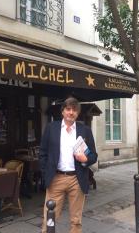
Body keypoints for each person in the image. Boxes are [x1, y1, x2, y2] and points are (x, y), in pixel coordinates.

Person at [39, 97, 97, 233]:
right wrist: (46, 173)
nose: (71, 112)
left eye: (74, 110)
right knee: (50, 217)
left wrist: (85, 159)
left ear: (77, 113)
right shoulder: (51, 128)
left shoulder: (85, 130)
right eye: (68, 109)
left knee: (76, 220)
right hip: (56, 178)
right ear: (63, 111)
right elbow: (42, 153)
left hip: (77, 179)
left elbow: (93, 155)